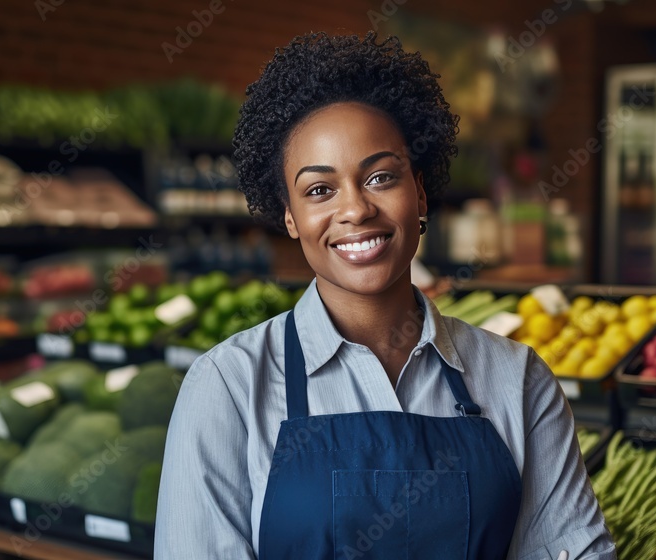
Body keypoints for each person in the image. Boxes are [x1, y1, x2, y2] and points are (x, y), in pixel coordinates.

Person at [153, 32, 615, 560]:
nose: (356, 210)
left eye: (379, 177)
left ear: (418, 192)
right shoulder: (228, 387)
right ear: (289, 216)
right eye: (319, 190)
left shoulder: (518, 379)